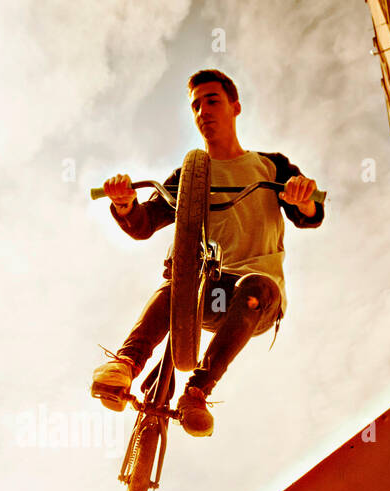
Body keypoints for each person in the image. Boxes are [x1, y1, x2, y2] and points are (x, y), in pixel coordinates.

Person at [90, 68, 325, 437]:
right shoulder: (191, 175)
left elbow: (308, 215)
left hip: (254, 301)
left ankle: (197, 392)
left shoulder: (270, 165)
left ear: (235, 107)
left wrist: (303, 197)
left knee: (255, 286)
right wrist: (124, 203)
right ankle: (125, 365)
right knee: (176, 289)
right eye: (196, 106)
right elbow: (145, 222)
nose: (203, 112)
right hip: (208, 293)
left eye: (212, 101)